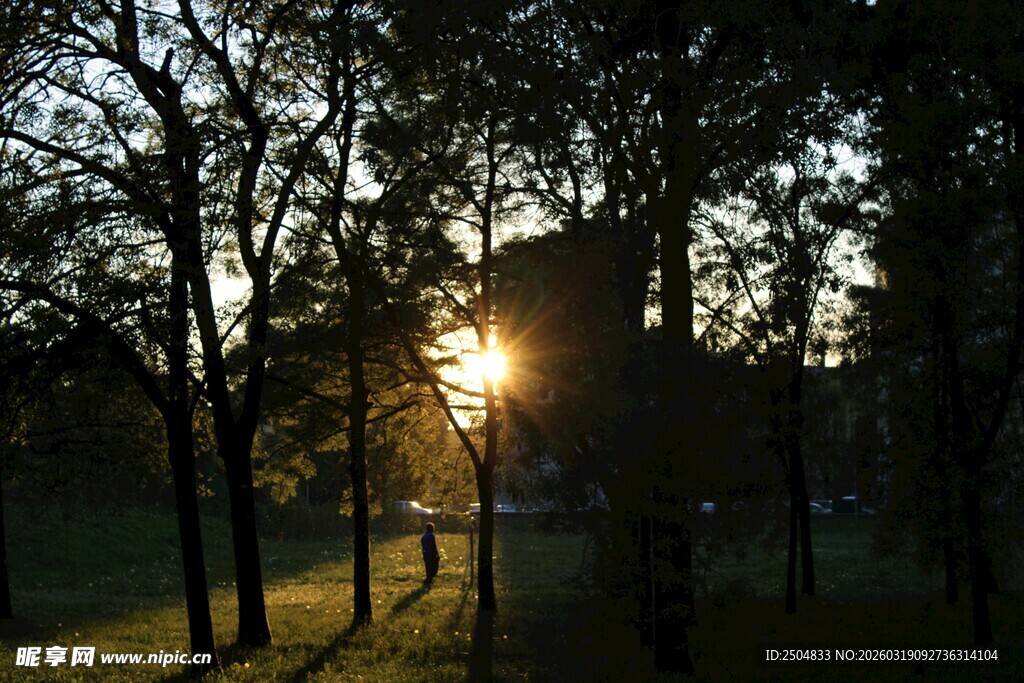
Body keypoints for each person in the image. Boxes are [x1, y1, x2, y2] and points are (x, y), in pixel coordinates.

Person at [420, 522, 440, 588]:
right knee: (434, 567)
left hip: (425, 554)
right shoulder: (431, 535)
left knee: (428, 567)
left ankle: (428, 579)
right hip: (431, 554)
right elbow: (434, 546)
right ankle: (429, 579)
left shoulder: (424, 536)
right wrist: (437, 554)